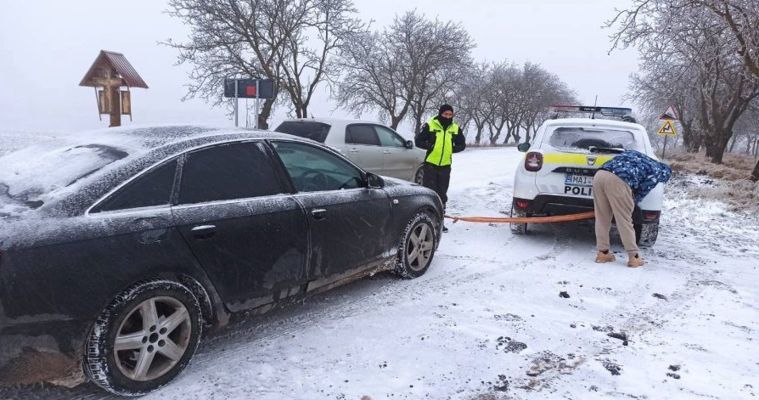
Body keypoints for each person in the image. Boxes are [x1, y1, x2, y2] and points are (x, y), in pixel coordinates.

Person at [593, 150, 671, 267]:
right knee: (624, 220)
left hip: (600, 175)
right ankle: (634, 257)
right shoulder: (657, 172)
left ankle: (603, 253)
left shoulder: (638, 156)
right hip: (619, 180)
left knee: (602, 218)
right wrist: (630, 203)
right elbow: (640, 192)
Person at [415, 104, 466, 232]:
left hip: (445, 165)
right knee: (430, 193)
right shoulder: (431, 125)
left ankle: (439, 222)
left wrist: (451, 149)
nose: (448, 116)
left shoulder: (454, 128)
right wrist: (430, 146)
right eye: (445, 114)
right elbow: (418, 141)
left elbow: (462, 144)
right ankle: (427, 220)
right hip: (431, 164)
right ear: (440, 114)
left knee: (442, 194)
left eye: (450, 115)